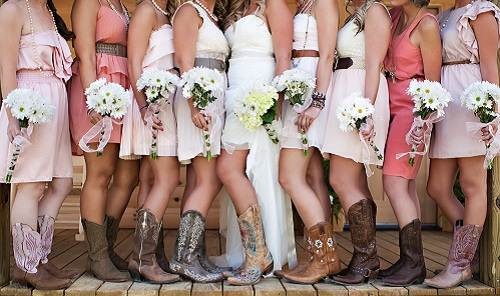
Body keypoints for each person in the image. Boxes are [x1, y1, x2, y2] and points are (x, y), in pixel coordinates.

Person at [216, 0, 297, 285]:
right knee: (233, 169)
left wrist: (275, 101)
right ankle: (255, 253)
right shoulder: (239, 7)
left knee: (238, 169)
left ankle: (260, 253)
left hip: (259, 92)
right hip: (234, 92)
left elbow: (284, 57)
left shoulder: (274, 5)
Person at [0, 0, 79, 289]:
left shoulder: (48, 8)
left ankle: (39, 256)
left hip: (55, 101)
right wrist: (12, 116)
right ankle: (27, 265)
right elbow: (6, 68)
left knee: (62, 183)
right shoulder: (11, 9)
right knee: (31, 184)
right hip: (28, 102)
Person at [424, 0, 500, 289]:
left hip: (472, 98)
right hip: (446, 100)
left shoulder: (483, 12)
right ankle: (470, 250)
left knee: (472, 184)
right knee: (437, 187)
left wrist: (491, 114)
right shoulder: (444, 15)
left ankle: (459, 264)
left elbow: (490, 64)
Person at [321, 0, 391, 285]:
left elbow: (374, 65)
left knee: (341, 179)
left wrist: (366, 111)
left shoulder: (375, 10)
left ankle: (366, 259)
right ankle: (366, 259)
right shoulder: (356, 14)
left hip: (358, 98)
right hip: (345, 93)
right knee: (354, 181)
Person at [69, 0, 136, 282]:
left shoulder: (119, 4)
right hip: (97, 86)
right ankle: (97, 256)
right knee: (100, 172)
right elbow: (85, 52)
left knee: (129, 174)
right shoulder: (88, 2)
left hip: (122, 87)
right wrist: (92, 99)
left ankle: (106, 248)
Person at [277, 0, 341, 284]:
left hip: (310, 92)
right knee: (314, 177)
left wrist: (316, 103)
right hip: (297, 84)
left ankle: (324, 259)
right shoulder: (302, 5)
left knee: (289, 177)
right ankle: (322, 258)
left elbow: (328, 55)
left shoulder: (324, 2)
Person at [379, 0, 442, 286]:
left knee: (393, 182)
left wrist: (423, 124)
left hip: (411, 113)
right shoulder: (393, 17)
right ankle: (411, 261)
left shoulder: (426, 24)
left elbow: (434, 83)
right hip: (388, 107)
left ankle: (414, 262)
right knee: (405, 185)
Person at [169, 0, 230, 282]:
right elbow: (184, 62)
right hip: (200, 101)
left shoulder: (210, 15)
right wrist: (194, 105)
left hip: (214, 99)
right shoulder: (188, 11)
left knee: (197, 179)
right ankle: (185, 256)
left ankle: (195, 255)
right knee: (209, 179)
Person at [123, 0, 182, 284]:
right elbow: (134, 63)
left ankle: (150, 257)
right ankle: (142, 258)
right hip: (153, 106)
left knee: (149, 179)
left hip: (169, 102)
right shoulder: (146, 10)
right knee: (167, 179)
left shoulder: (170, 11)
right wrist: (145, 106)